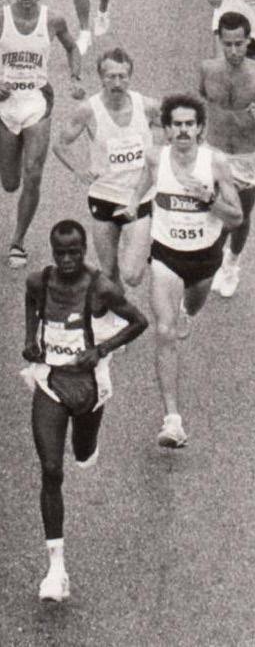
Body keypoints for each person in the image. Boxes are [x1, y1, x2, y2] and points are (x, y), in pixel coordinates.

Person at [22, 220, 148, 601]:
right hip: (50, 380)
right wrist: (30, 339)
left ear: (83, 251)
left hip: (89, 386)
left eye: (74, 252)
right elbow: (31, 303)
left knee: (81, 452)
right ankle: (56, 570)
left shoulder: (100, 288)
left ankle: (88, 444)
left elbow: (139, 322)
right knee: (51, 469)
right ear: (52, 252)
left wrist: (102, 349)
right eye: (60, 253)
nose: (67, 260)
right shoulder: (39, 282)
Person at [127, 94, 242, 447]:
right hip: (166, 255)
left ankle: (185, 311)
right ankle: (172, 421)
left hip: (205, 257)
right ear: (166, 129)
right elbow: (143, 184)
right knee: (164, 331)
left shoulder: (215, 163)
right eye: (176, 124)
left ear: (200, 129)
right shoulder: (155, 157)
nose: (182, 131)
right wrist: (132, 206)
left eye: (189, 124)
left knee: (190, 307)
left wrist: (209, 200)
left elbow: (237, 217)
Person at [53, 48, 161, 287]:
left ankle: (150, 247)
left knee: (132, 275)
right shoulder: (89, 110)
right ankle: (117, 310)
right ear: (101, 77)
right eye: (111, 76)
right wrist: (78, 169)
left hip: (138, 197)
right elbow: (60, 144)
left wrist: (163, 162)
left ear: (130, 77)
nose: (117, 83)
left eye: (123, 76)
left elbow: (179, 131)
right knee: (108, 270)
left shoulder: (147, 106)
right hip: (103, 196)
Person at [1, 0, 83, 268]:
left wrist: (75, 78)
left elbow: (72, 48)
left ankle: (17, 242)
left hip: (37, 101)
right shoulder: (2, 18)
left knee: (33, 173)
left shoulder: (53, 20)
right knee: (10, 182)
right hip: (5, 104)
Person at [199, 11, 255, 296]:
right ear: (220, 41)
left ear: (249, 41)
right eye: (228, 44)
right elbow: (202, 104)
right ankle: (209, 264)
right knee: (210, 212)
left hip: (246, 157)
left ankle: (231, 265)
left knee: (240, 218)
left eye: (239, 43)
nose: (234, 50)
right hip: (213, 153)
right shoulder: (207, 69)